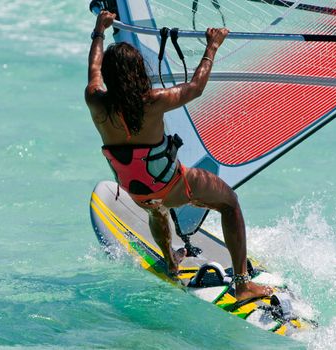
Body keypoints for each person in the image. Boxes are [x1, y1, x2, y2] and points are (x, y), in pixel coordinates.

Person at [85, 11, 272, 301]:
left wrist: (100, 30)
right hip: (175, 186)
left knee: (155, 208)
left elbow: (93, 67)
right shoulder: (154, 102)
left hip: (137, 192)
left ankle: (171, 261)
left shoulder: (95, 102)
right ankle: (242, 284)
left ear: (110, 76)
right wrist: (212, 46)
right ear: (137, 73)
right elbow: (195, 88)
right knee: (229, 204)